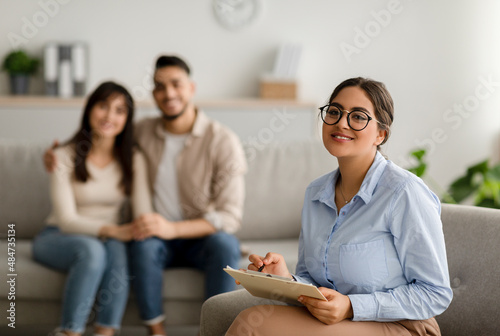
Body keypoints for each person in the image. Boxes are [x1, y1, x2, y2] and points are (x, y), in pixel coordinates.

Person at [201, 77, 453, 336]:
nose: (341, 123)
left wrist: (352, 306)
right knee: (252, 321)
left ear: (381, 134)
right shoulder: (315, 194)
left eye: (358, 116)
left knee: (253, 324)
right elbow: (314, 282)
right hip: (336, 323)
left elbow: (434, 293)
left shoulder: (404, 193)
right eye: (334, 112)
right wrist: (285, 280)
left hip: (402, 326)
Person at [44, 55, 247, 336]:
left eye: (176, 84)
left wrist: (169, 228)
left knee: (226, 244)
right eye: (160, 87)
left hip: (199, 236)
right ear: (153, 94)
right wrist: (56, 154)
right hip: (152, 238)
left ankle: (218, 331)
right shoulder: (142, 133)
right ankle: (156, 330)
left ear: (191, 87)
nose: (169, 93)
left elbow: (229, 216)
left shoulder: (222, 140)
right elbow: (101, 135)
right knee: (141, 245)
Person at [33, 81, 153, 336]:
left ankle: (105, 331)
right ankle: (69, 332)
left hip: (109, 239)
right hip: (57, 236)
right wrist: (114, 230)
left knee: (117, 248)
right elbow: (66, 220)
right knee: (93, 249)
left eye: (120, 110)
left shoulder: (134, 158)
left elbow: (143, 213)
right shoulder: (63, 155)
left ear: (127, 119)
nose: (110, 116)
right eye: (103, 106)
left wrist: (142, 227)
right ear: (89, 109)